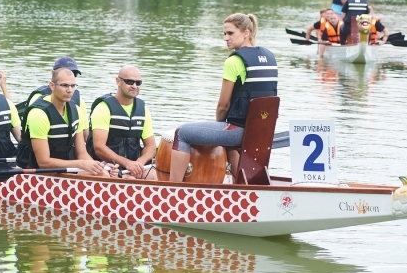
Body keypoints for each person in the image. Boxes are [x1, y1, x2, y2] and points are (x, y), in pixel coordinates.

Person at [169, 13, 277, 182]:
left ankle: (172, 189)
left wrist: (220, 126)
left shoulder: (234, 61)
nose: (226, 38)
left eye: (230, 33)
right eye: (225, 34)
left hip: (241, 132)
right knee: (228, 140)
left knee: (181, 133)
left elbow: (223, 106)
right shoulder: (270, 57)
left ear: (246, 33)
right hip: (264, 132)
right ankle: (241, 186)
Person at [17, 68, 107, 176]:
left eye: (73, 86)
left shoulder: (76, 110)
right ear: (52, 86)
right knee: (103, 175)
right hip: (36, 171)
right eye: (64, 85)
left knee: (104, 173)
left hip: (64, 169)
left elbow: (82, 153)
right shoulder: (39, 114)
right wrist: (82, 164)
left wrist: (98, 167)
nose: (70, 90)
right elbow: (43, 162)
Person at [85, 65, 156, 179]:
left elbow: (151, 146)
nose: (134, 86)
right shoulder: (103, 108)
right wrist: (127, 163)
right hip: (107, 165)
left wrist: (139, 163)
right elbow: (99, 148)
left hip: (134, 164)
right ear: (118, 81)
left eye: (138, 83)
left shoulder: (143, 110)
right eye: (129, 82)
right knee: (130, 179)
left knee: (154, 176)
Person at [27, 56, 89, 138]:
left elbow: (85, 135)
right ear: (53, 74)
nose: (69, 75)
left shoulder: (79, 103)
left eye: (73, 73)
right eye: (63, 72)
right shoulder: (38, 100)